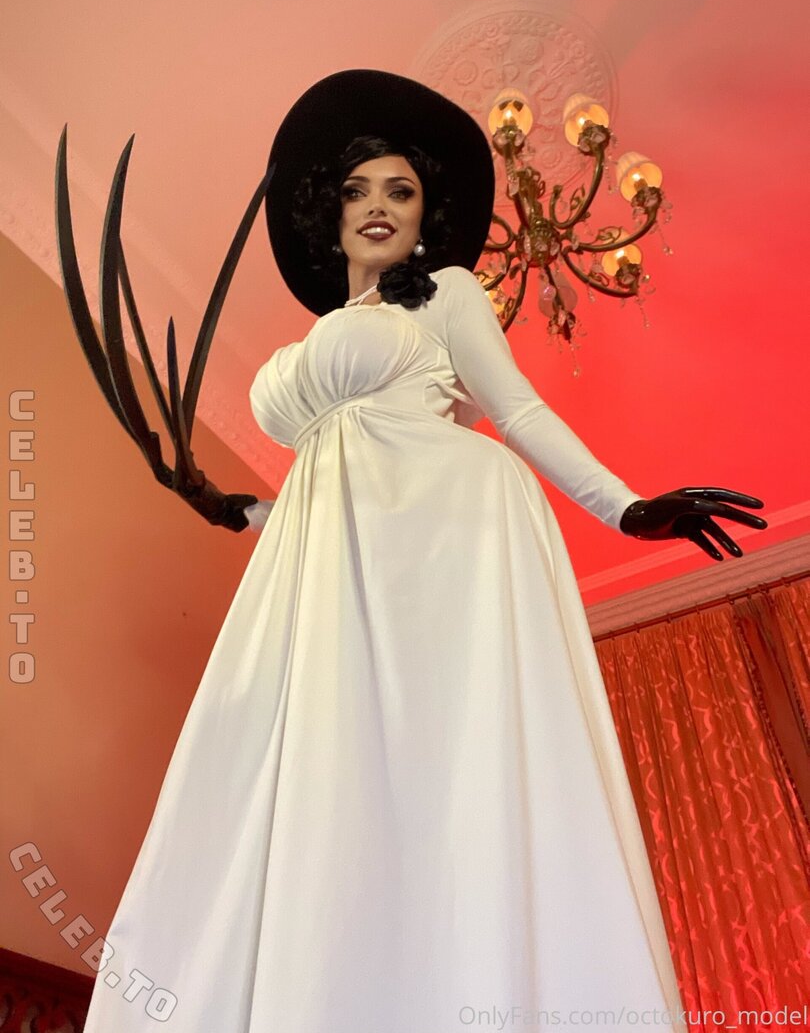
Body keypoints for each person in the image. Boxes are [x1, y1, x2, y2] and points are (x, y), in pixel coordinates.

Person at [80, 70, 766, 1033]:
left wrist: (628, 509)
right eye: (358, 190)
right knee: (306, 764)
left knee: (435, 747)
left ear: (423, 216)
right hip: (326, 563)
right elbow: (330, 493)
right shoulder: (318, 341)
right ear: (329, 216)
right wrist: (236, 509)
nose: (378, 205)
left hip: (441, 525)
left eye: (399, 191)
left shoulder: (444, 293)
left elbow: (516, 409)